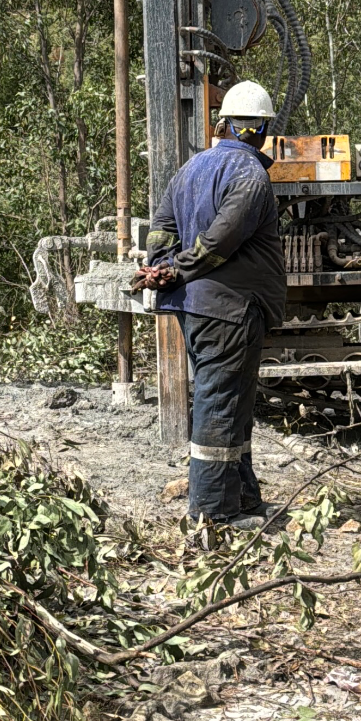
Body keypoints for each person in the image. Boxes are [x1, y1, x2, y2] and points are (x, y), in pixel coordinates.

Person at [134, 81, 287, 528]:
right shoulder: (251, 176)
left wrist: (160, 265)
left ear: (221, 125)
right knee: (220, 404)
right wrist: (178, 269)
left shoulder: (189, 168)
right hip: (230, 310)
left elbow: (160, 227)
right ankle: (213, 512)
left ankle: (242, 498)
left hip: (201, 309)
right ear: (260, 130)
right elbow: (221, 239)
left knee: (235, 404)